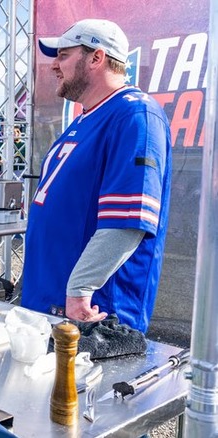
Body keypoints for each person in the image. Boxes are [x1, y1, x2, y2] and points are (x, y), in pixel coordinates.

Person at [22, 19, 171, 333]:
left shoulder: (135, 114)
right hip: (51, 302)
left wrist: (80, 289)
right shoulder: (86, 118)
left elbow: (128, 220)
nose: (54, 66)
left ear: (96, 58)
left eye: (63, 55)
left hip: (92, 312)